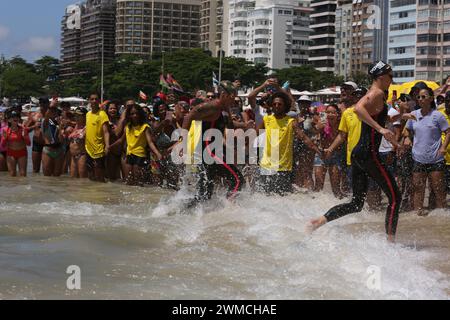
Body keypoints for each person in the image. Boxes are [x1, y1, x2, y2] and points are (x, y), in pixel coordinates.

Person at [308, 61, 401, 242]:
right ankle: (391, 243)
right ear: (381, 76)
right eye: (391, 76)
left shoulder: (373, 94)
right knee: (395, 198)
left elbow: (367, 112)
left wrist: (391, 134)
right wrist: (381, 129)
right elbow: (358, 109)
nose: (392, 79)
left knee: (357, 203)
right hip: (369, 154)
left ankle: (319, 221)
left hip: (359, 153)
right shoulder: (377, 93)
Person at [182, 80, 245, 207]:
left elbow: (230, 125)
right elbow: (189, 116)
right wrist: (182, 142)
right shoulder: (213, 106)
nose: (234, 100)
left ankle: (183, 211)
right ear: (223, 95)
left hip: (213, 152)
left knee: (205, 196)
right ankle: (229, 209)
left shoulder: (224, 108)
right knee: (238, 180)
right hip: (209, 153)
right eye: (232, 97)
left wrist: (245, 125)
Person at [257, 91, 321, 195]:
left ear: (285, 106)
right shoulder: (266, 119)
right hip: (266, 166)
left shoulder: (291, 122)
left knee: (283, 198)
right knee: (266, 197)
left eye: (279, 104)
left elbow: (304, 138)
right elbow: (255, 135)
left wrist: (317, 150)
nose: (276, 106)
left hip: (283, 167)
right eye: (274, 104)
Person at [403, 86, 450, 215]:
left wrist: (443, 147)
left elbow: (448, 132)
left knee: (438, 189)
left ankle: (441, 216)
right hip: (418, 157)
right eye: (418, 97)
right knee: (418, 189)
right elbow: (407, 130)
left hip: (436, 158)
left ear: (430, 98)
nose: (420, 99)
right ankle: (418, 215)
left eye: (424, 96)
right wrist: (407, 138)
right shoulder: (414, 115)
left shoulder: (438, 116)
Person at [110, 104, 162, 186]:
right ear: (129, 115)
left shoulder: (145, 127)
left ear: (140, 114)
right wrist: (109, 147)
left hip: (140, 156)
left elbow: (150, 142)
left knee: (138, 182)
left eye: (137, 113)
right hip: (129, 155)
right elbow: (121, 140)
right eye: (132, 114)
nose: (135, 116)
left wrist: (158, 153)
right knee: (128, 181)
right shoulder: (127, 127)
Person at [313, 104, 344, 198]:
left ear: (337, 114)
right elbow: (314, 131)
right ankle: (313, 206)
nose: (330, 114)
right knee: (318, 184)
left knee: (336, 186)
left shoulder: (341, 125)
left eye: (333, 112)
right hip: (321, 155)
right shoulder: (323, 124)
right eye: (328, 112)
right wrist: (316, 127)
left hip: (335, 155)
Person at [85, 93, 110, 182]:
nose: (94, 101)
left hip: (98, 150)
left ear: (99, 101)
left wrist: (107, 146)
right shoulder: (87, 114)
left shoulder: (102, 114)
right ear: (89, 101)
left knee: (100, 178)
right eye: (92, 99)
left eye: (96, 99)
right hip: (88, 150)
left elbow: (106, 132)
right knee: (90, 177)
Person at [1, 109, 30, 177]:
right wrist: (4, 138)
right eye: (13, 117)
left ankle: (23, 188)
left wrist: (25, 136)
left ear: (19, 119)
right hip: (10, 153)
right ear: (9, 120)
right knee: (12, 175)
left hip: (22, 153)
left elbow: (29, 144)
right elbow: (2, 145)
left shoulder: (23, 129)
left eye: (17, 116)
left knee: (23, 175)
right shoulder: (5, 130)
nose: (15, 118)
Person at [25, 97, 49, 173]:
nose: (42, 104)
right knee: (35, 170)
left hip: (48, 144)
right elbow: (26, 130)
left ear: (48, 103)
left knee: (47, 169)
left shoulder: (52, 114)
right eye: (41, 103)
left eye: (44, 102)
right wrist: (34, 126)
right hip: (37, 143)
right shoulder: (34, 115)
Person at [41, 102, 65, 177]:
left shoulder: (60, 123)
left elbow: (61, 139)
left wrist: (60, 127)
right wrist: (51, 106)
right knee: (47, 176)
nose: (53, 113)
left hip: (58, 149)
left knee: (57, 176)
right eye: (51, 111)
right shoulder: (45, 122)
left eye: (55, 112)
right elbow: (46, 116)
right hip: (48, 149)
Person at [66, 107, 88, 178]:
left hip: (82, 155)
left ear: (85, 116)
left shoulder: (87, 127)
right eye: (76, 115)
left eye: (79, 116)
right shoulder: (76, 126)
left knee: (82, 180)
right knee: (73, 181)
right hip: (73, 157)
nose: (77, 117)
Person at [105, 102, 122, 181]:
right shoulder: (104, 122)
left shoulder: (120, 121)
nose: (112, 110)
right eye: (110, 108)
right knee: (110, 177)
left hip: (121, 151)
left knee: (119, 177)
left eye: (114, 108)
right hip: (109, 151)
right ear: (107, 110)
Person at [440, 91, 450, 193]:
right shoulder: (439, 115)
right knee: (439, 189)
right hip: (441, 158)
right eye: (447, 101)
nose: (449, 103)